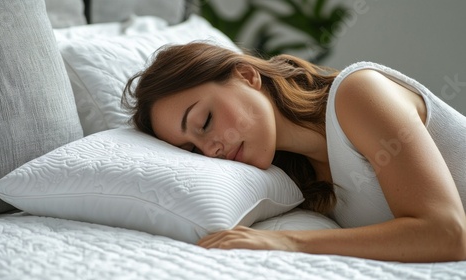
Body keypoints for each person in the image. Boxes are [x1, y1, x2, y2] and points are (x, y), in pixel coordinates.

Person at [122, 42, 466, 263]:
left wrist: (287, 242)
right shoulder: (297, 186)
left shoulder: (358, 92)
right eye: (192, 150)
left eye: (205, 120)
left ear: (246, 75)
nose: (210, 148)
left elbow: (447, 233)